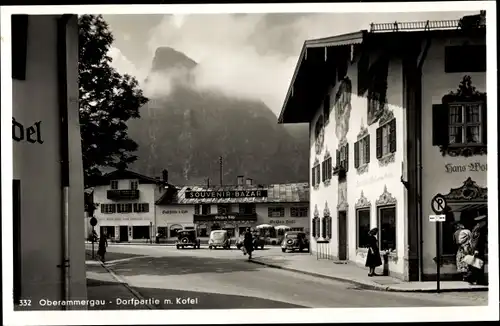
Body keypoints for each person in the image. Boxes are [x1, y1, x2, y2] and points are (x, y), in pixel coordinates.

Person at [467, 214, 488, 285]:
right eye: (484, 222)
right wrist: (477, 249)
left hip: (475, 249)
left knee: (476, 264)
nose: (485, 223)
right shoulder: (479, 230)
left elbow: (472, 240)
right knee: (479, 264)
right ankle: (479, 280)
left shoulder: (475, 228)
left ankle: (474, 279)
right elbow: (477, 240)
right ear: (481, 222)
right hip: (478, 249)